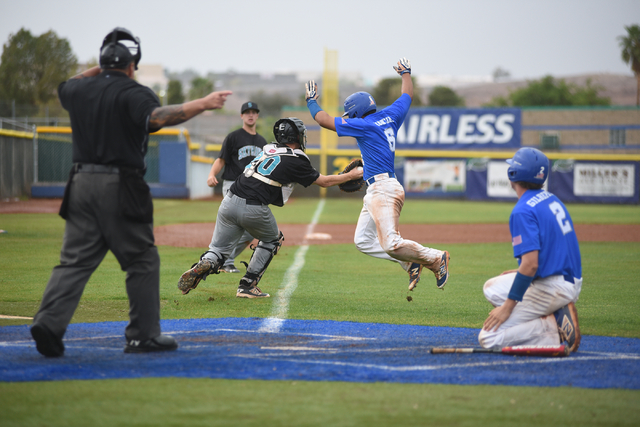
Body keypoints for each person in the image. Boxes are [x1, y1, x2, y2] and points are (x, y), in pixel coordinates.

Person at [30, 27, 232, 357]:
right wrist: (203, 103)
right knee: (141, 260)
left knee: (73, 262)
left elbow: (68, 83)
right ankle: (142, 336)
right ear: (131, 65)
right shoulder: (133, 92)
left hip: (79, 184)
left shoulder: (78, 90)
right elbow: (158, 117)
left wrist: (105, 58)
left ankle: (49, 323)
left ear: (101, 63)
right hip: (120, 185)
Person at [304, 58, 449, 292]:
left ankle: (435, 257)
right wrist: (406, 74)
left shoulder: (364, 125)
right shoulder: (391, 115)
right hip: (379, 188)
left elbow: (323, 120)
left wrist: (311, 101)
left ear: (358, 112)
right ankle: (409, 261)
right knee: (363, 241)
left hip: (383, 189)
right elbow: (407, 96)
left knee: (391, 242)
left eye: (350, 114)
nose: (348, 118)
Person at [177, 117, 363, 298]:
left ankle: (205, 263)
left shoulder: (268, 148)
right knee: (273, 239)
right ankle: (247, 285)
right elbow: (324, 181)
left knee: (218, 250)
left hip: (229, 201)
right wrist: (350, 175)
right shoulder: (297, 159)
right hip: (253, 207)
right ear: (297, 137)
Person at [479, 147, 582, 352]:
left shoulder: (522, 210)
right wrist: (521, 272)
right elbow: (550, 252)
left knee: (489, 338)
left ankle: (550, 327)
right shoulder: (551, 198)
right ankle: (550, 313)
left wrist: (507, 309)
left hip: (554, 286)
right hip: (567, 277)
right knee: (491, 288)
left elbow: (531, 264)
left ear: (513, 175)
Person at [207, 102, 267, 273]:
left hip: (253, 188)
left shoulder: (262, 142)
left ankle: (224, 260)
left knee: (250, 231)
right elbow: (221, 160)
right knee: (234, 224)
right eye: (247, 112)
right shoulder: (233, 137)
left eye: (254, 112)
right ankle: (217, 259)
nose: (250, 115)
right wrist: (212, 174)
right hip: (232, 185)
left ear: (257, 116)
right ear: (241, 116)